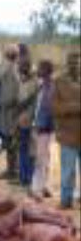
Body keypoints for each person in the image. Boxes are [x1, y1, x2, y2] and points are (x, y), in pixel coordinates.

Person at [52, 50, 81, 209]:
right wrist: (75, 107)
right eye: (72, 62)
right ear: (66, 63)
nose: (75, 65)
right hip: (67, 135)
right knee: (67, 171)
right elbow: (54, 108)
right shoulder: (59, 81)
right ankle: (66, 200)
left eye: (77, 62)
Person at [30, 60, 55, 201]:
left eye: (40, 68)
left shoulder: (50, 87)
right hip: (41, 126)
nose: (37, 70)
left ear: (46, 70)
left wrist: (39, 126)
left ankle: (37, 189)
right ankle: (44, 186)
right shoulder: (42, 85)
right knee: (45, 157)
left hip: (44, 128)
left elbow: (49, 110)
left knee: (41, 159)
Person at [0, 45, 20, 181]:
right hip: (6, 110)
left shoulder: (15, 70)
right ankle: (10, 169)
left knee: (12, 142)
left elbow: (18, 91)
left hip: (12, 111)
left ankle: (13, 170)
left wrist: (10, 103)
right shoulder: (7, 68)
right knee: (7, 140)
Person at [17, 60, 38, 188]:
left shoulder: (35, 83)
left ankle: (29, 177)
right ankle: (23, 177)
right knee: (23, 149)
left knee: (31, 151)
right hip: (22, 120)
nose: (21, 68)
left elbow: (31, 104)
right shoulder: (23, 81)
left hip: (31, 121)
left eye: (23, 66)